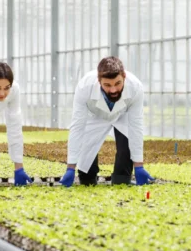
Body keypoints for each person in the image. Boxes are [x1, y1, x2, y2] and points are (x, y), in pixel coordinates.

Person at [60, 56, 155, 187]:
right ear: (99, 81)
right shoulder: (84, 87)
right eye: (107, 85)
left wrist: (139, 165)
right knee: (86, 151)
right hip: (94, 116)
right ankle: (88, 178)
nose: (113, 90)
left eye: (118, 83)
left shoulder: (135, 87)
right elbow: (77, 127)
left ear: (124, 77)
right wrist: (70, 168)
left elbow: (136, 126)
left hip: (123, 115)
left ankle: (122, 179)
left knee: (126, 145)